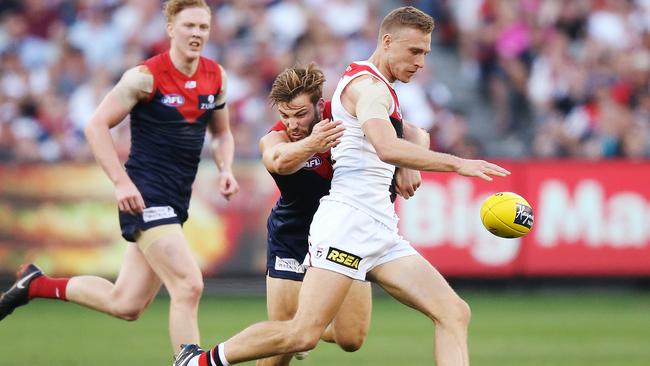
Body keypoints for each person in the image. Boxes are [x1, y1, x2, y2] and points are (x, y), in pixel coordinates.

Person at [174, 6, 509, 366]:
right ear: (387, 41)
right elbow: (386, 145)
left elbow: (408, 132)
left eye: (425, 52)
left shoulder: (371, 90)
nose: (421, 61)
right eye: (414, 51)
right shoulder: (367, 87)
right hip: (346, 226)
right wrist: (458, 163)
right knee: (299, 333)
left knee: (453, 312)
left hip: (380, 228)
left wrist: (410, 160)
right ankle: (199, 362)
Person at [0, 0, 238, 354]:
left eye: (203, 27)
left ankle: (36, 285)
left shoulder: (214, 76)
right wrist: (121, 182)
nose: (197, 34)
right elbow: (96, 125)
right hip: (144, 196)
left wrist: (226, 168)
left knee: (126, 303)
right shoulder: (146, 76)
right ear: (171, 28)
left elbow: (221, 133)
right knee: (189, 285)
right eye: (189, 26)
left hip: (175, 201)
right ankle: (189, 362)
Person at [258, 63, 428, 366]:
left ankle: (311, 325)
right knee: (282, 343)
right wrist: (313, 143)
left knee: (352, 339)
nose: (292, 124)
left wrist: (408, 164)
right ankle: (302, 329)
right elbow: (277, 162)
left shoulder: (346, 119)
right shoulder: (278, 137)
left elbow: (416, 134)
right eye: (285, 115)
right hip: (293, 237)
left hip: (344, 235)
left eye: (300, 114)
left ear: (320, 106)